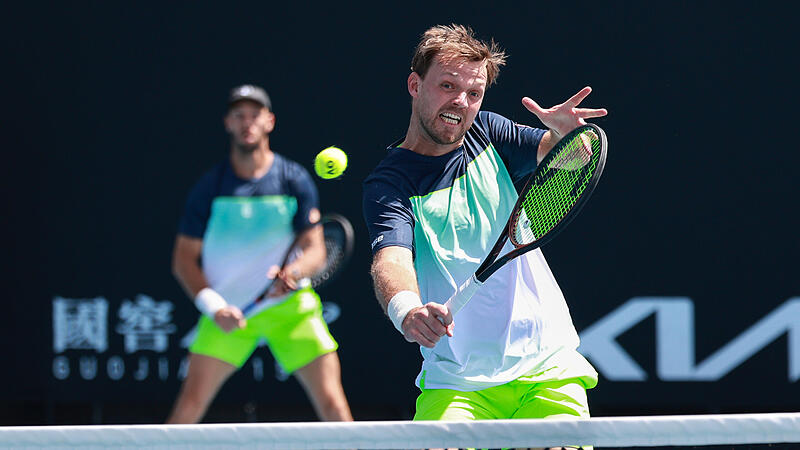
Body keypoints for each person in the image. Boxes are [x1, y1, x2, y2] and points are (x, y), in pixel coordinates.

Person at [363, 24, 607, 430]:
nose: (460, 101)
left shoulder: (490, 133)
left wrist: (569, 137)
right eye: (447, 85)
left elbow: (572, 155)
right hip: (457, 384)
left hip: (547, 367)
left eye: (473, 93)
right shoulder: (389, 184)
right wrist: (407, 311)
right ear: (414, 84)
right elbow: (390, 260)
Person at [167, 84, 352, 423]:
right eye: (239, 116)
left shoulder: (294, 179)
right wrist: (215, 307)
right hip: (228, 310)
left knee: (334, 406)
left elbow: (314, 249)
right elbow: (183, 260)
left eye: (254, 115)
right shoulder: (210, 187)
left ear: (269, 121)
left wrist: (293, 275)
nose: (247, 123)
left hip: (291, 311)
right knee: (188, 408)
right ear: (228, 123)